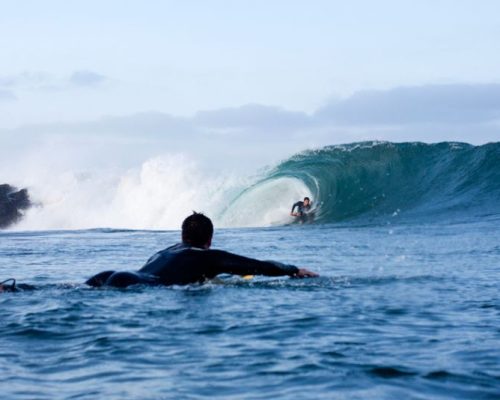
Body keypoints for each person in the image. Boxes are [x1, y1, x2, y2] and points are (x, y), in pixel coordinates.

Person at [86, 212, 318, 288]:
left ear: (182, 236)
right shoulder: (210, 257)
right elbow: (256, 266)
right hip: (138, 284)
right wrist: (293, 269)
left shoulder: (166, 251)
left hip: (111, 275)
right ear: (210, 239)